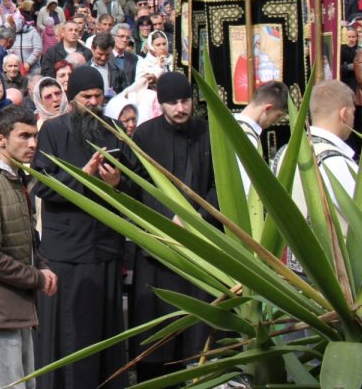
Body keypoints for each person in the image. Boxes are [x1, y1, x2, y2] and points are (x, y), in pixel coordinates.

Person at [32, 66, 131, 389]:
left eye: (98, 96)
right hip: (68, 250)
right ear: (71, 99)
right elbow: (43, 186)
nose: (93, 102)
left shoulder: (115, 129)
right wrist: (82, 175)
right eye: (86, 97)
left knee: (106, 330)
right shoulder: (53, 131)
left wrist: (117, 183)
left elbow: (134, 183)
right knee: (70, 331)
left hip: (105, 246)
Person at [0, 104, 58, 389]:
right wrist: (36, 277)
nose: (32, 143)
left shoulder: (13, 178)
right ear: (0, 139)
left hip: (16, 303)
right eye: (24, 136)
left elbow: (24, 239)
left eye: (34, 136)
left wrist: (40, 265)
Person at [129, 72, 215, 382]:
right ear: (160, 104)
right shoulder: (144, 136)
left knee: (199, 329)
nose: (180, 108)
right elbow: (135, 188)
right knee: (157, 330)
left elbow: (220, 185)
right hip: (159, 250)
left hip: (201, 246)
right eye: (173, 103)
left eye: (185, 101)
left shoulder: (209, 134)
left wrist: (196, 217)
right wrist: (168, 217)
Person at [233, 81, 289, 192]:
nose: (276, 121)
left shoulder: (226, 124)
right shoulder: (248, 140)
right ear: (267, 109)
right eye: (278, 115)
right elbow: (248, 190)